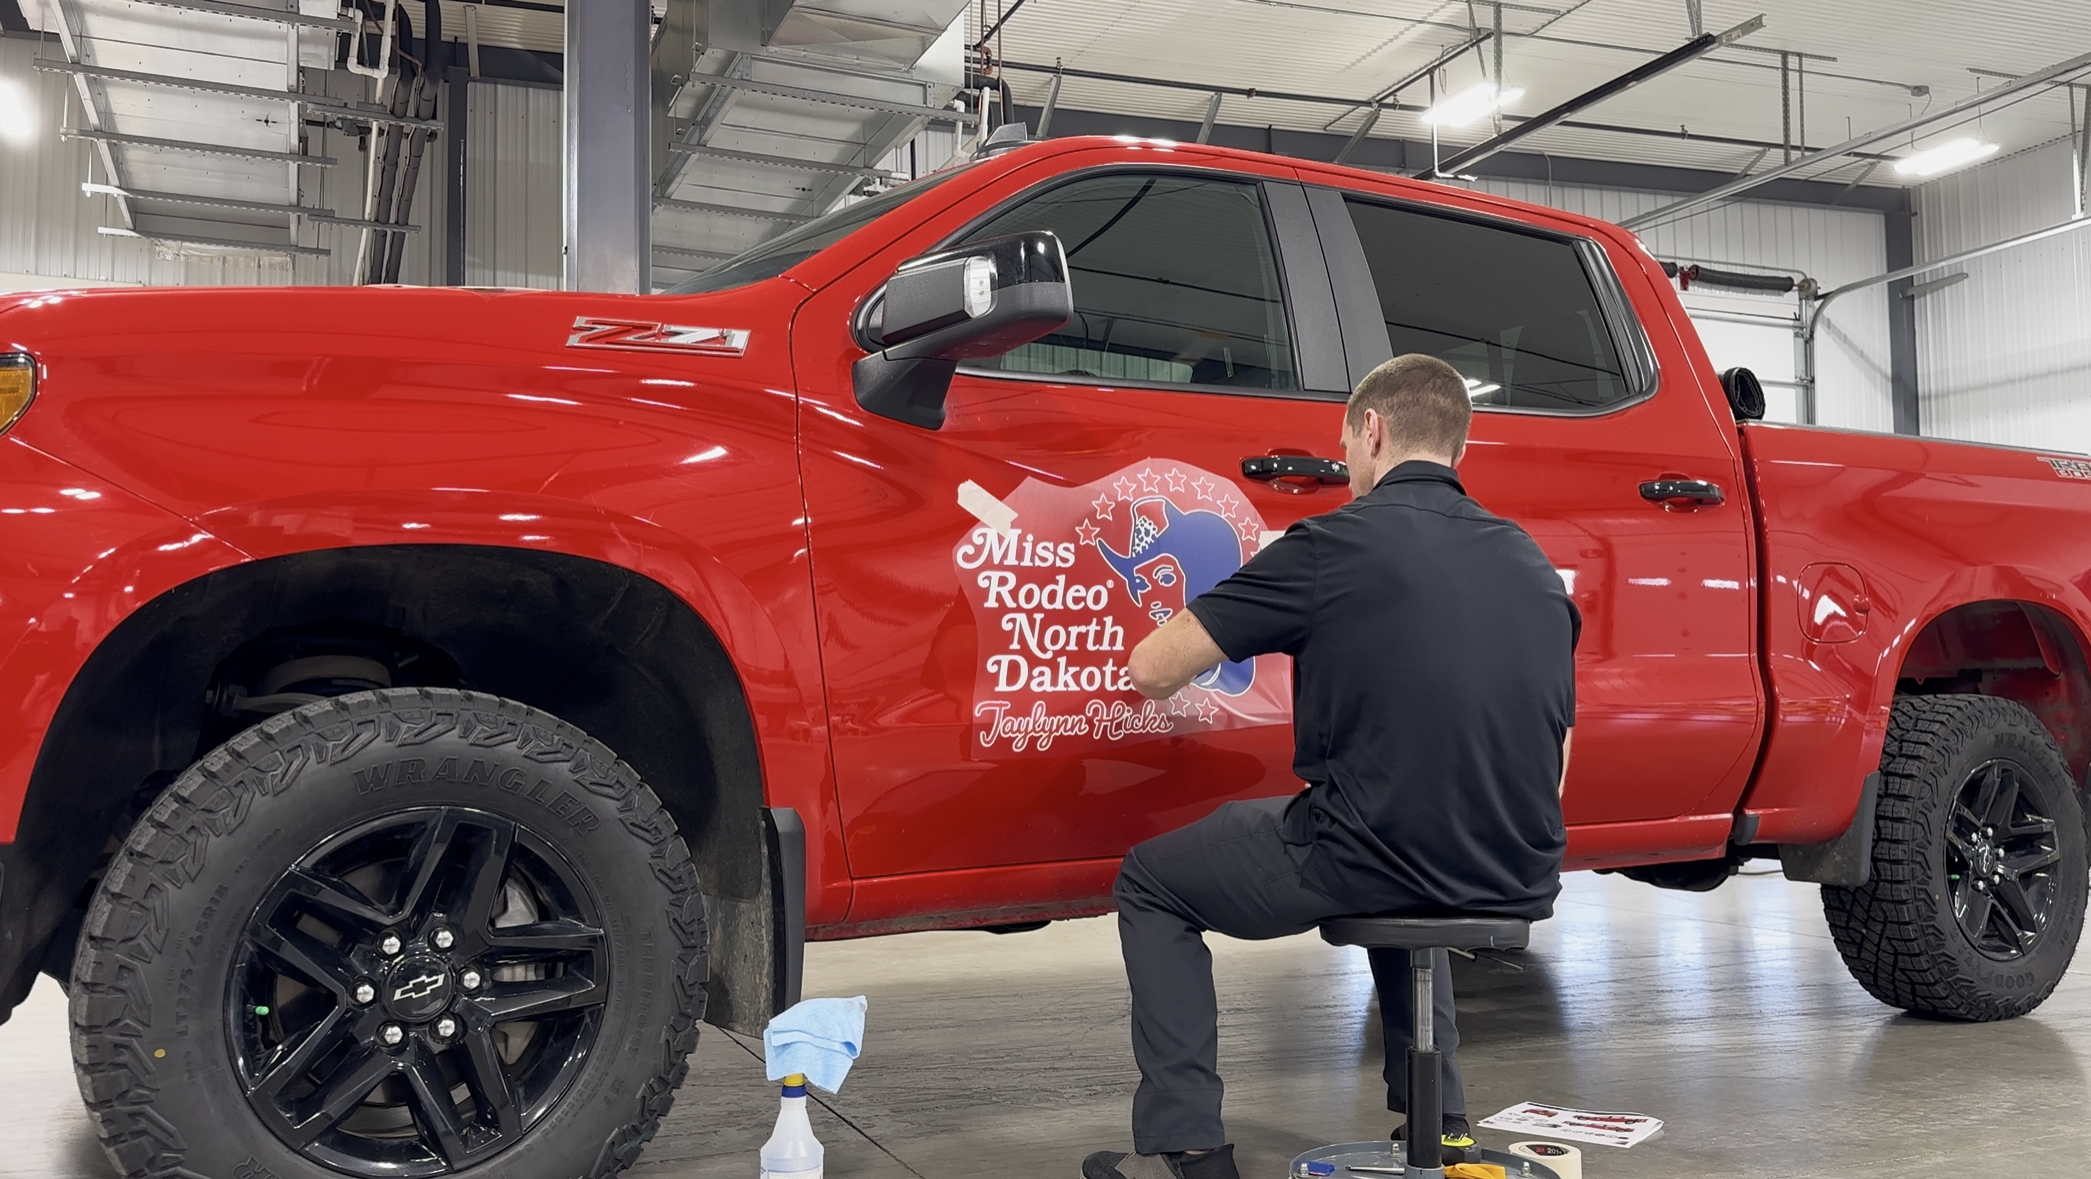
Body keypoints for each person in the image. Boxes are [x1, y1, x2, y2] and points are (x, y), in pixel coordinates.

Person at [1080, 354, 1580, 1179]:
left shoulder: (1330, 545)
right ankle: (1443, 1122)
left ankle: (1191, 1149)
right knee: (1412, 842)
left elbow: (1152, 667)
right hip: (1518, 865)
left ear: (1372, 431)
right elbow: (1558, 739)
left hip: (1363, 854)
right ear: (1459, 447)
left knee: (1150, 880)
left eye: (1346, 443)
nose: (1346, 462)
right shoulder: (1529, 563)